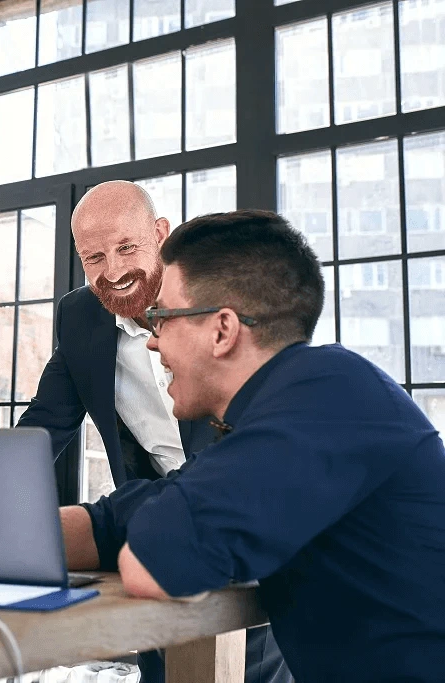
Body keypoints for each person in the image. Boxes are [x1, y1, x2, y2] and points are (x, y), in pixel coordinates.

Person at [65, 210, 445, 682]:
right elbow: (131, 515)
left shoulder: (325, 399)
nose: (153, 343)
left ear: (222, 330)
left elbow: (156, 564)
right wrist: (3, 533)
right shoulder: (285, 408)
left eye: (162, 317)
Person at [18, 182, 287, 683]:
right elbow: (44, 425)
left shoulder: (227, 306)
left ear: (160, 234)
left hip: (242, 534)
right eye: (94, 256)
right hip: (153, 532)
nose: (113, 271)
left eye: (126, 247)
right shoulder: (80, 318)